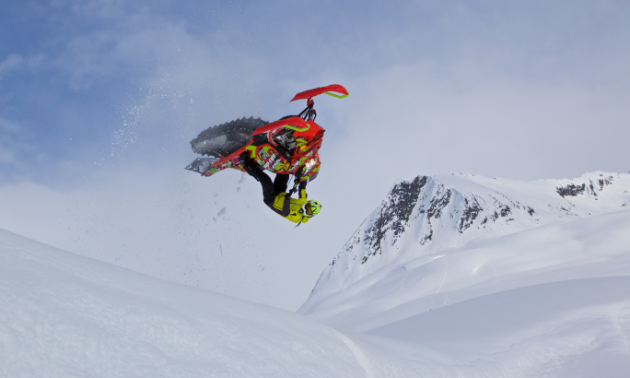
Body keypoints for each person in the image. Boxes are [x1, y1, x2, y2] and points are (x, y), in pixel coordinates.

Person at [240, 150, 321, 225]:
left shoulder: (298, 218)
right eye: (307, 206)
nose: (306, 209)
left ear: (310, 215)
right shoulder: (303, 202)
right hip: (280, 193)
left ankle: (246, 163)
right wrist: (305, 173)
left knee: (266, 180)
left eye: (309, 211)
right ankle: (275, 153)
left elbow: (285, 212)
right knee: (284, 172)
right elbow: (302, 188)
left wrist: (287, 199)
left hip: (271, 200)